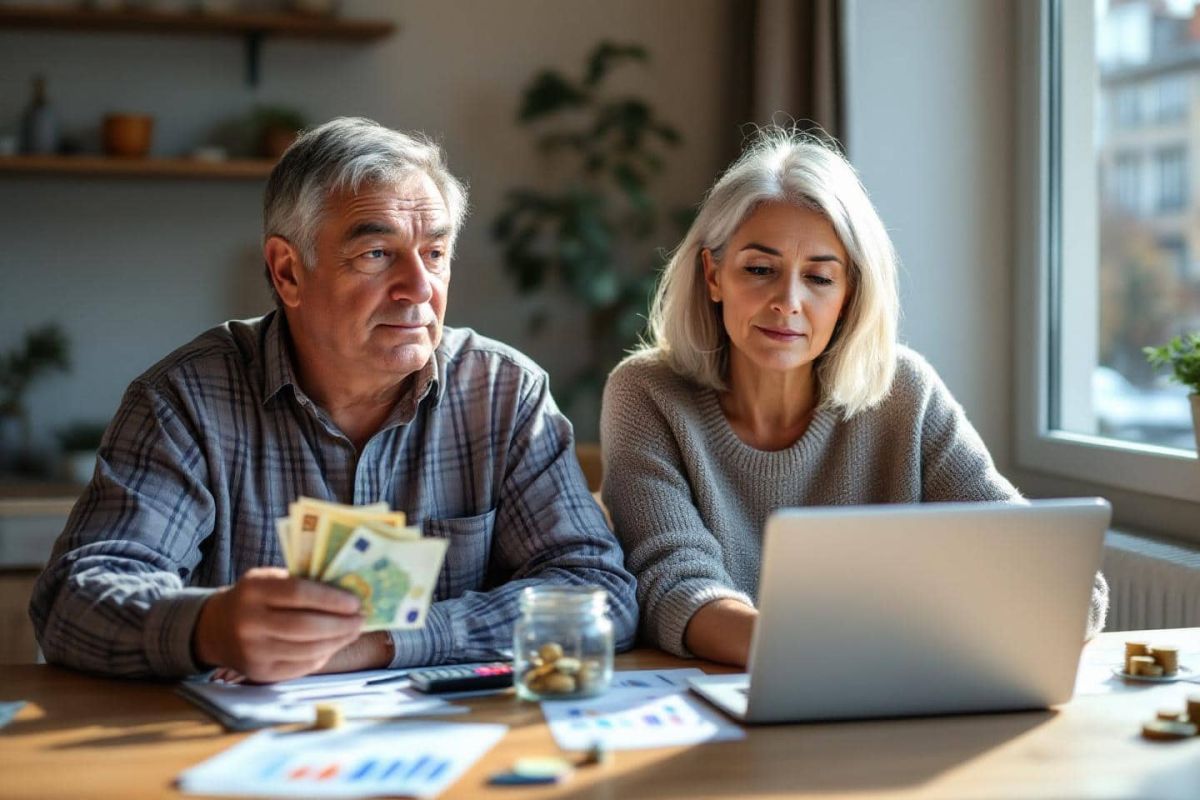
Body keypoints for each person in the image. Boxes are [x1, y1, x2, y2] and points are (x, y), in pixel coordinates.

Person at [30, 117, 637, 682]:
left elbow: (597, 591)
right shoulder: (187, 400)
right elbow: (72, 598)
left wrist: (384, 643)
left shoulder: (503, 393)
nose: (419, 288)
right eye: (376, 254)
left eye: (435, 253)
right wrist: (208, 628)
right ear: (287, 272)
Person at [600, 128, 1108, 667]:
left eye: (819, 278)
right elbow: (674, 585)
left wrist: (1053, 600)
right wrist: (843, 651)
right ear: (713, 274)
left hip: (892, 693)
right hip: (727, 700)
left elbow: (1057, 582)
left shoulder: (906, 392)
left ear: (849, 295)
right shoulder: (646, 394)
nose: (787, 302)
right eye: (759, 269)